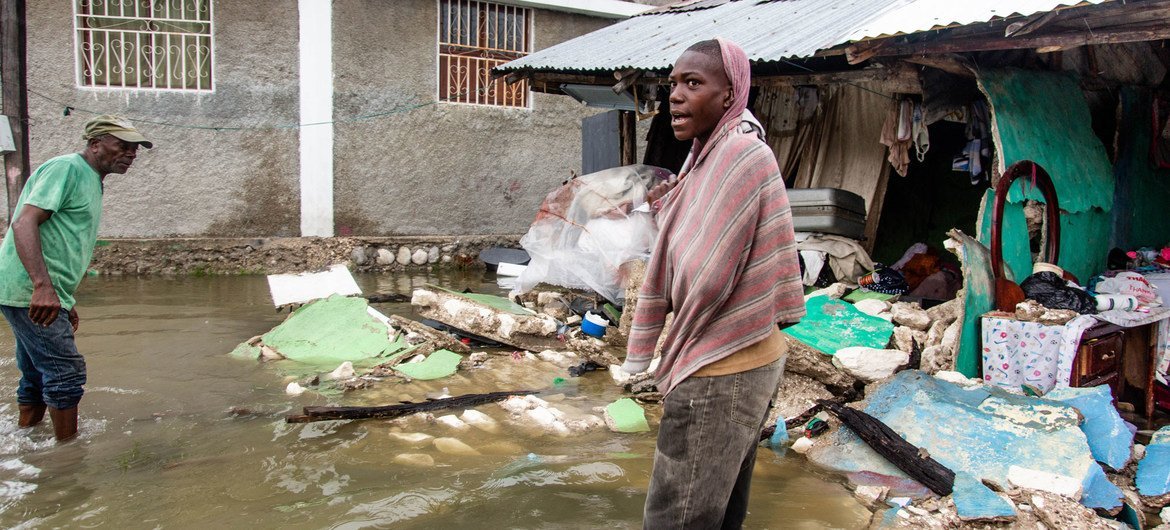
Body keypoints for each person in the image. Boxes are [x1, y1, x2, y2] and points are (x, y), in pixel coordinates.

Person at [622, 38, 805, 528]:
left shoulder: (740, 155)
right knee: (717, 512)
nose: (674, 97)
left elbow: (708, 274)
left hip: (722, 364)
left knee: (676, 516)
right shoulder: (707, 157)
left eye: (693, 83)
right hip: (743, 359)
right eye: (672, 84)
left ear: (730, 94)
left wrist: (675, 347)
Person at [0, 115, 152, 442]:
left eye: (135, 150)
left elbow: (63, 244)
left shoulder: (90, 178)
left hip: (34, 290)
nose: (130, 154)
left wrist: (64, 298)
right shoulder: (67, 168)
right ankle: (66, 460)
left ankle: (28, 441)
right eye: (122, 146)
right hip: (30, 289)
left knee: (38, 375)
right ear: (95, 144)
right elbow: (24, 224)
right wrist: (42, 287)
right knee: (66, 373)